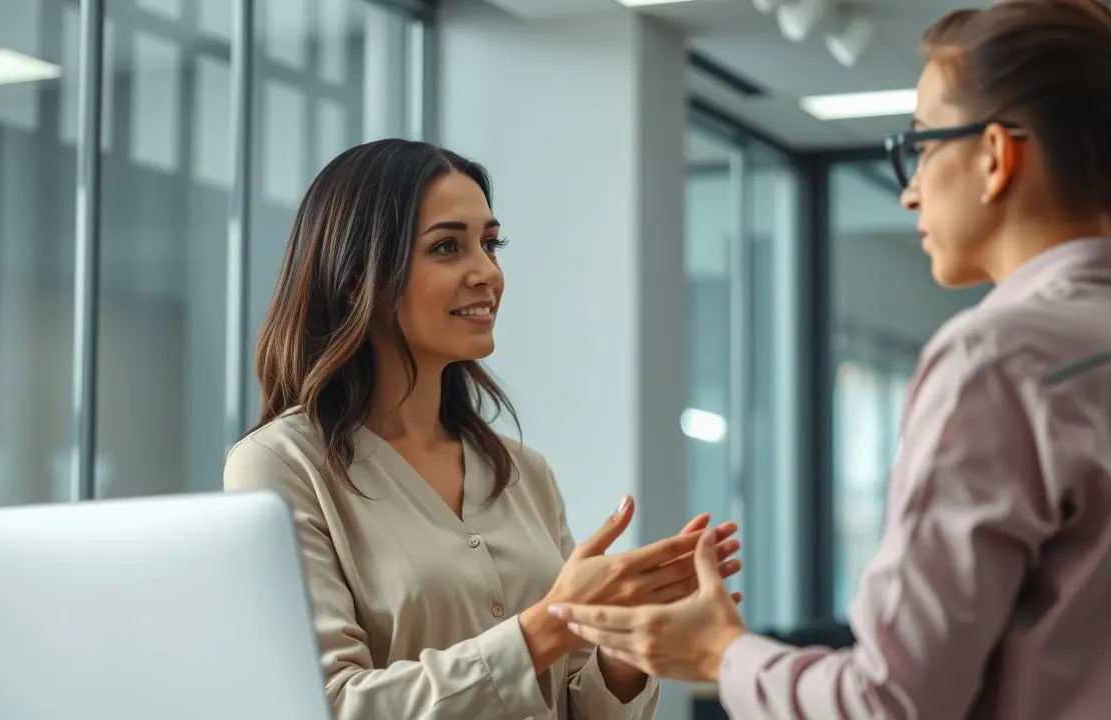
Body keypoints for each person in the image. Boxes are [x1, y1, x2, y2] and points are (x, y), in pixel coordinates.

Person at [549, 1, 1111, 717]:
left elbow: (888, 704)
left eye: (921, 144)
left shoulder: (1000, 359)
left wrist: (720, 654)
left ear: (995, 156)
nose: (908, 190)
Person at [222, 139, 743, 720]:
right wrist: (549, 625)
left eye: (490, 245)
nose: (487, 273)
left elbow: (579, 705)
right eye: (447, 247)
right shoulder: (279, 465)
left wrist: (626, 639)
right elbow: (330, 706)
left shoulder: (524, 473)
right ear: (354, 278)